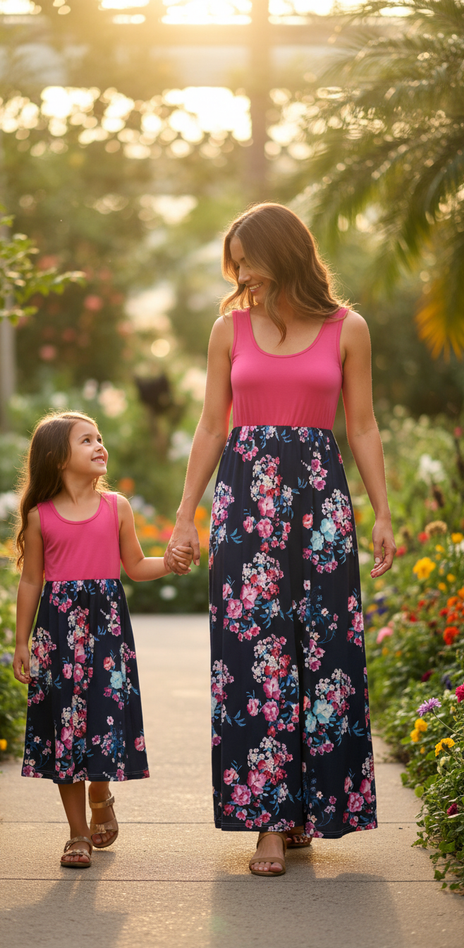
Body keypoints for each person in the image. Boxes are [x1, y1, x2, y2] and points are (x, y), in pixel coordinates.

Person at [165, 203, 396, 876]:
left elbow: (362, 427)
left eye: (247, 258)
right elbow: (211, 425)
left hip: (319, 506)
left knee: (325, 657)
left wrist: (381, 513)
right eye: (233, 262)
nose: (240, 273)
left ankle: (312, 810)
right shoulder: (227, 329)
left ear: (283, 252)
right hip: (244, 505)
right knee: (253, 655)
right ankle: (268, 822)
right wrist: (185, 513)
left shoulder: (346, 328)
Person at [13, 410, 191, 868]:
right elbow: (31, 581)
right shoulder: (40, 517)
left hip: (106, 636)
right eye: (86, 440)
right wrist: (21, 643)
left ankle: (101, 792)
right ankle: (76, 835)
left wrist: (168, 563)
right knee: (64, 731)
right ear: (57, 458)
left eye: (99, 438)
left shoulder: (117, 508)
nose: (99, 446)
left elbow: (134, 565)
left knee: (104, 721)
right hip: (57, 637)